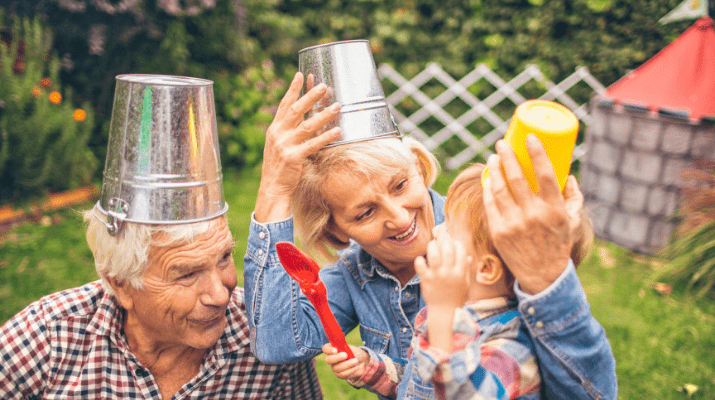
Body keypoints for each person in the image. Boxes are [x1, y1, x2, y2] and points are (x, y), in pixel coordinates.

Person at [244, 71, 616, 400]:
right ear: (336, 231)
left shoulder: (485, 241)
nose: (400, 217)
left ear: (419, 167)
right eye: (366, 212)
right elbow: (278, 342)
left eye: (401, 184)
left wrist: (547, 278)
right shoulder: (358, 272)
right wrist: (274, 191)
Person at [323, 163, 594, 399]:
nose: (437, 229)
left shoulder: (512, 345)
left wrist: (443, 315)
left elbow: (461, 392)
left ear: (486, 269)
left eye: (450, 229)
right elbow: (423, 385)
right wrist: (372, 367)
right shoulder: (452, 318)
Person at [0, 212, 323, 399]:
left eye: (224, 257)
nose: (220, 294)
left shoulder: (268, 335)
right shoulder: (48, 336)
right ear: (120, 285)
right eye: (186, 274)